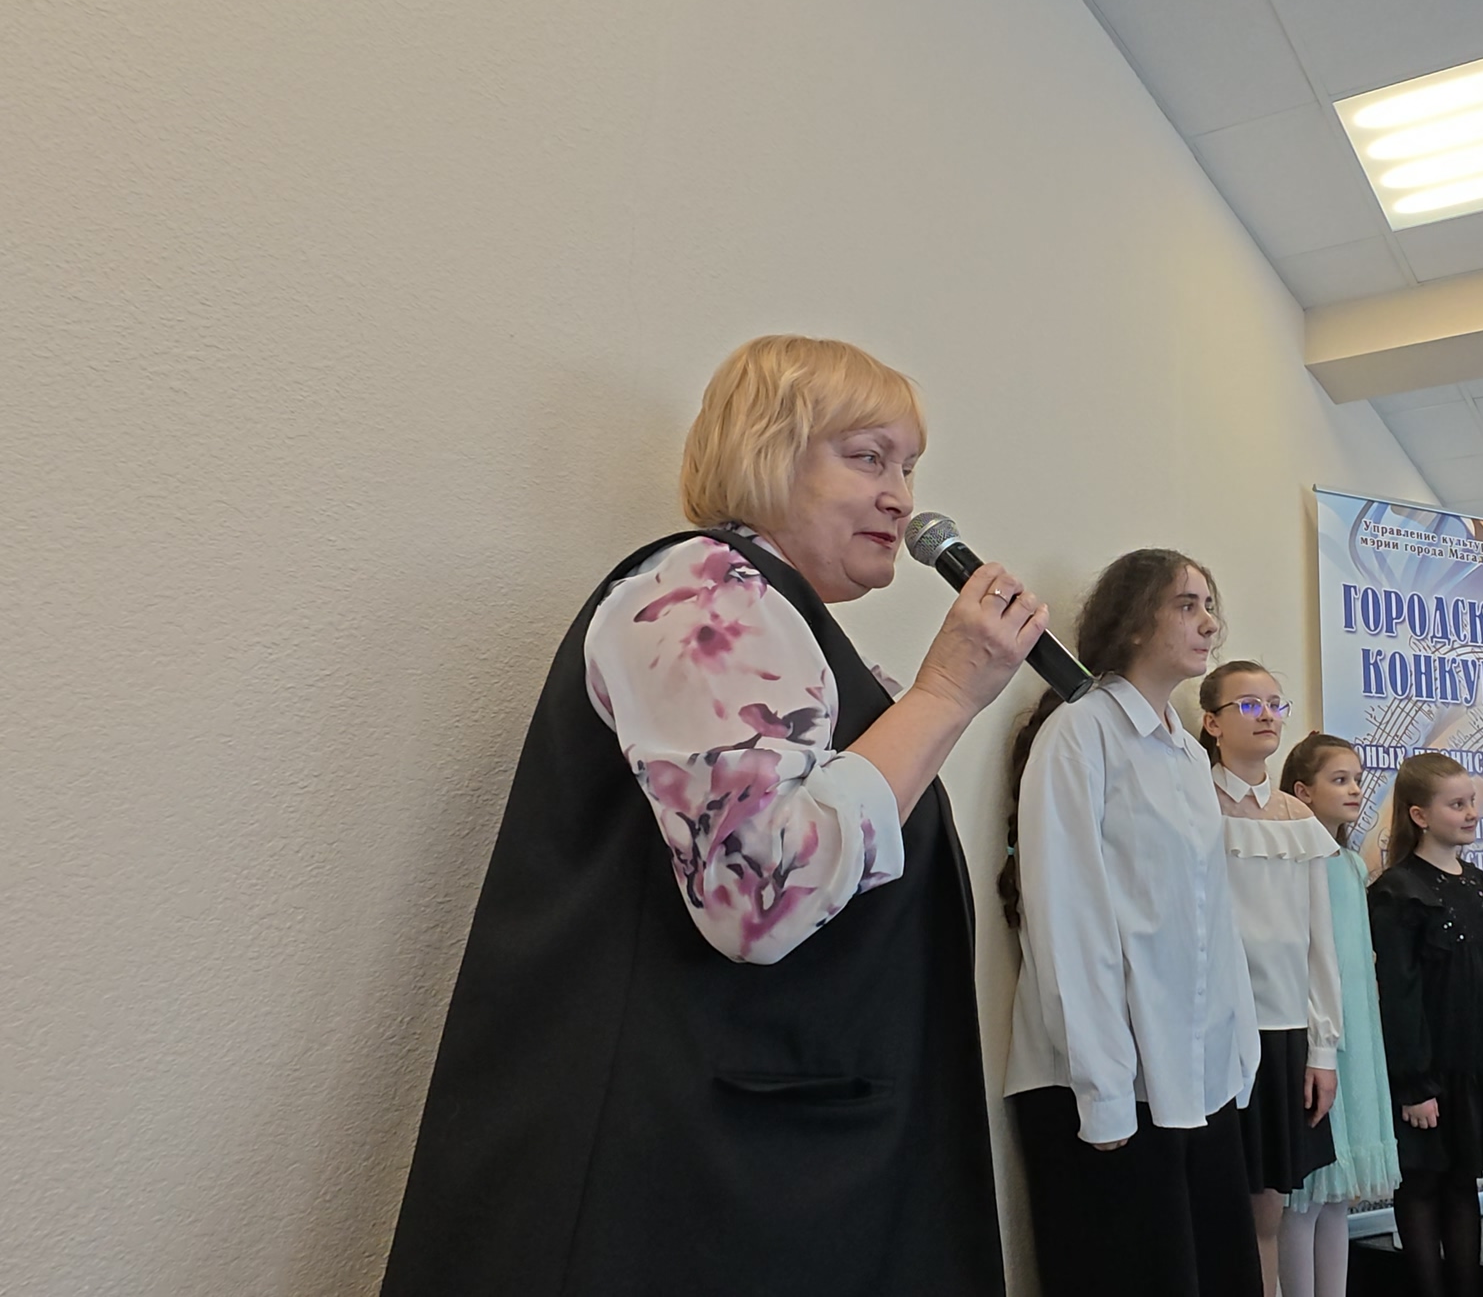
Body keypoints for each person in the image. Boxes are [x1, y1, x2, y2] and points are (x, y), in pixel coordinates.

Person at [379, 336, 1045, 1295]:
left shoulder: (786, 623)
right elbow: (760, 897)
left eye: (909, 467)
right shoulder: (700, 593)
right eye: (867, 458)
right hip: (685, 1167)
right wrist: (944, 695)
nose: (901, 497)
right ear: (767, 452)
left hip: (760, 1149)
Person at [1003, 550, 1264, 1297]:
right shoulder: (1080, 733)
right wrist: (1105, 1088)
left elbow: (1209, 920)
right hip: (1109, 1085)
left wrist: (1236, 1050)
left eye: (1210, 604)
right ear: (1133, 620)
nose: (1209, 622)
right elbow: (1066, 918)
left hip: (1194, 1079)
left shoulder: (1185, 753)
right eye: (1187, 604)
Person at [1201, 662, 1344, 1295]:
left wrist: (1322, 1049)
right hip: (1209, 1027)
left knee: (1268, 1208)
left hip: (1282, 1029)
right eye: (1248, 704)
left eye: (1275, 704)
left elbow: (1319, 942)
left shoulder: (1296, 817)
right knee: (1213, 1200)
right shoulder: (1190, 800)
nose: (1266, 715)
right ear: (1212, 722)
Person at [1370, 752, 1483, 1297]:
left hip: (1478, 1062)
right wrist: (1415, 1084)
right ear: (1419, 815)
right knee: (1421, 1184)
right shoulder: (1398, 890)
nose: (1470, 813)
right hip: (1430, 1071)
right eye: (1456, 804)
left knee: (1463, 1182)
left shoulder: (1477, 883)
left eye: (1471, 802)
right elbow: (1399, 996)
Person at [1278, 733, 1403, 1297]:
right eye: (1339, 779)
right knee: (1304, 1195)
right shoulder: (1295, 860)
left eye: (1357, 778)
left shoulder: (1351, 864)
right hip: (1316, 1035)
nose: (1355, 789)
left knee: (1336, 1196)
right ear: (1302, 791)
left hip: (1356, 1034)